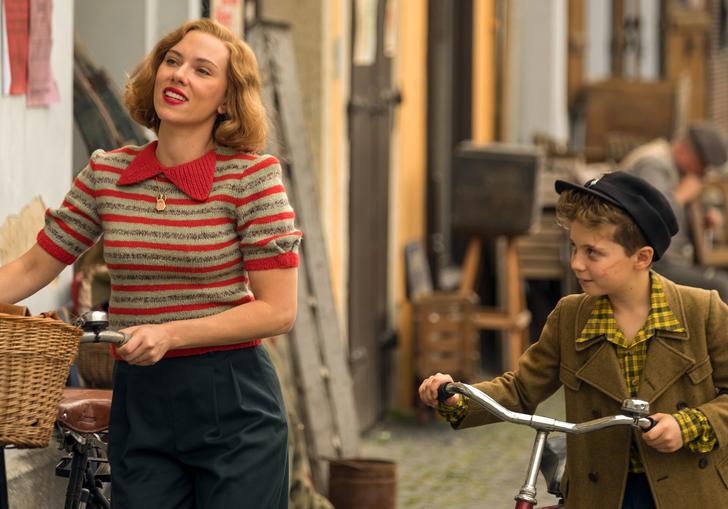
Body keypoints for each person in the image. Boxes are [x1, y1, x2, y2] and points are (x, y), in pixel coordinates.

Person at [0, 19, 300, 509]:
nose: (179, 75)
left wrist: (170, 333)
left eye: (202, 70)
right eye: (172, 61)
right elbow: (32, 267)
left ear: (226, 100)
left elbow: (278, 311)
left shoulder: (253, 178)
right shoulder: (107, 173)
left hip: (234, 398)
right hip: (142, 400)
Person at [419, 172, 728, 508]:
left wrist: (689, 425)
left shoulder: (702, 311)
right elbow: (521, 390)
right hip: (600, 493)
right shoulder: (570, 317)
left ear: (641, 257)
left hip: (688, 491)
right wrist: (459, 398)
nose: (576, 263)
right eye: (574, 247)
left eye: (593, 252)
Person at [620, 123, 728, 301]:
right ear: (686, 150)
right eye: (703, 164)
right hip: (649, 263)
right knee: (721, 287)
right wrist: (680, 196)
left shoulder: (678, 170)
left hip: (673, 261)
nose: (704, 172)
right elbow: (651, 216)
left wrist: (706, 216)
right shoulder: (654, 164)